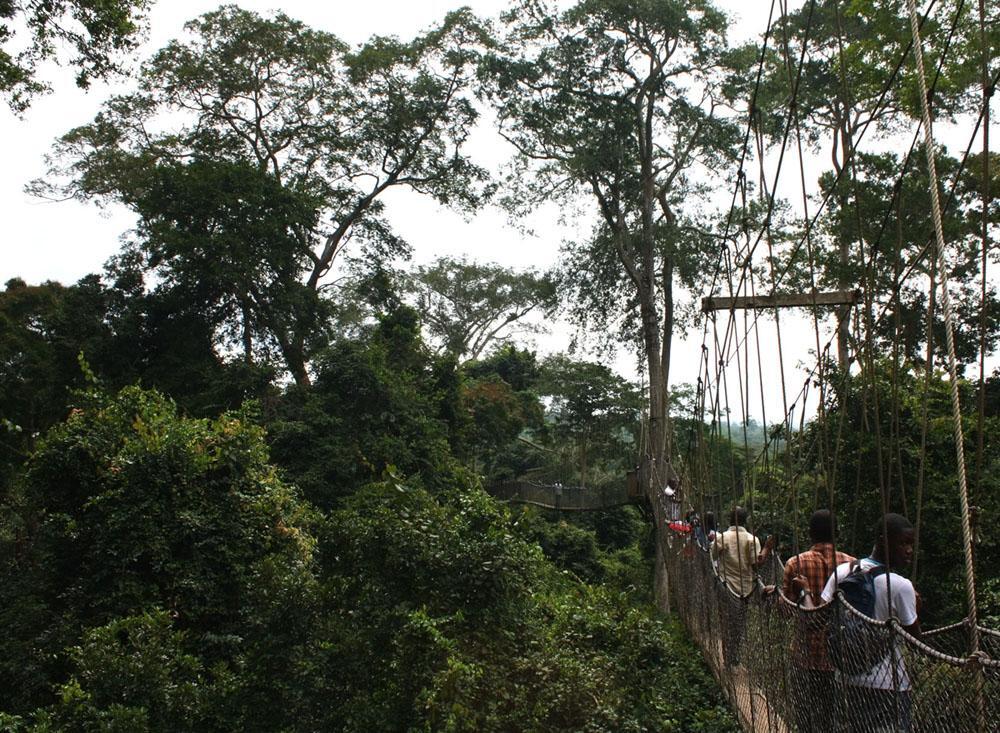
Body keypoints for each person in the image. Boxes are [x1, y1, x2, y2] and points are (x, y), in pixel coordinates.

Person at [821, 513, 921, 733]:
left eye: (911, 544)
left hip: (846, 679)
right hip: (889, 686)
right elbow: (916, 641)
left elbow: (821, 614)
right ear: (883, 540)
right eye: (903, 543)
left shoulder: (844, 571)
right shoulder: (900, 586)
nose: (909, 550)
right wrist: (916, 607)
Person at [781, 510, 855, 732]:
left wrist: (782, 594)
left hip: (806, 655)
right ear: (838, 533)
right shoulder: (853, 566)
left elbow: (785, 612)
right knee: (831, 719)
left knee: (804, 717)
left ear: (809, 534)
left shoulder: (795, 564)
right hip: (843, 656)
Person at [711, 506, 769, 666]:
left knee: (725, 621)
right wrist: (767, 549)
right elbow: (755, 565)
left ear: (730, 520)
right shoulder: (752, 539)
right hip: (745, 590)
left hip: (726, 587)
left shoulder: (722, 537)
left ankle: (728, 655)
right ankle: (733, 654)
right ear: (746, 520)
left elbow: (713, 555)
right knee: (739, 623)